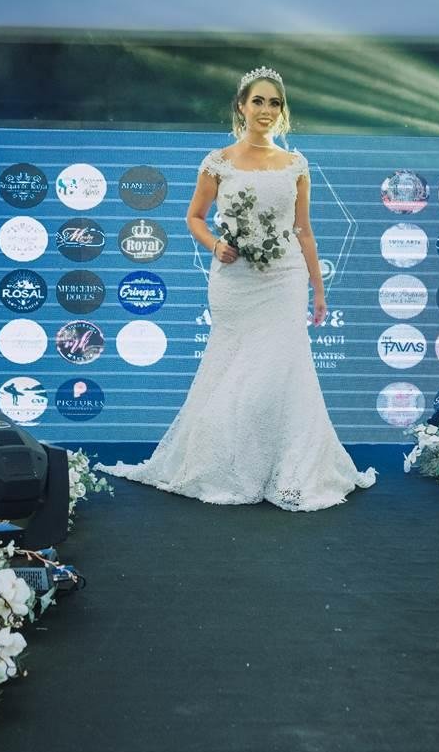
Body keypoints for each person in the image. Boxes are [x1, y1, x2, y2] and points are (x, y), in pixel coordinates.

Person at [96, 66, 376, 510]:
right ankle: (227, 466)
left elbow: (303, 230)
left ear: (282, 111)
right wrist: (216, 244)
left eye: (274, 103)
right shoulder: (218, 161)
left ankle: (288, 468)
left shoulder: (296, 165)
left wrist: (319, 289)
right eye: (258, 101)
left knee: (281, 371)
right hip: (235, 280)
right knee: (233, 369)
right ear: (241, 107)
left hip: (285, 278)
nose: (266, 110)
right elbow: (194, 217)